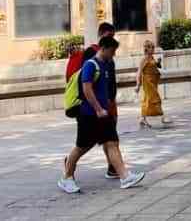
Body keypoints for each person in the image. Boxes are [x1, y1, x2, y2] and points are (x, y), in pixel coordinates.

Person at [59, 35, 144, 193]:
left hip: (104, 115)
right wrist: (98, 108)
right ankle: (67, 177)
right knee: (82, 147)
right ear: (103, 49)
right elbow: (86, 89)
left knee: (112, 143)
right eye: (112, 51)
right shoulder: (90, 65)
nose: (113, 54)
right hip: (88, 114)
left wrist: (107, 108)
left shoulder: (106, 64)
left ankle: (125, 177)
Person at [65, 22, 120, 179]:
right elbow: (87, 86)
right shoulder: (91, 57)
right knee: (84, 145)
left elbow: (110, 82)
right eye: (109, 36)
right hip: (91, 109)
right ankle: (68, 170)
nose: (112, 40)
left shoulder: (108, 58)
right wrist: (98, 108)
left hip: (105, 105)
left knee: (111, 140)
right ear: (102, 36)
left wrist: (110, 102)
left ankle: (118, 171)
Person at [136, 40, 167, 128]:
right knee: (156, 98)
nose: (153, 49)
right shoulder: (144, 59)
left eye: (153, 47)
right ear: (147, 49)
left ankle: (143, 119)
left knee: (148, 99)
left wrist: (158, 62)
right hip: (148, 82)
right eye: (151, 47)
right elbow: (139, 72)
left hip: (154, 82)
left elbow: (157, 66)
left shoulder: (152, 58)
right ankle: (163, 117)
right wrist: (138, 85)